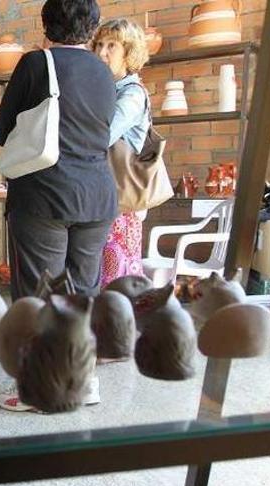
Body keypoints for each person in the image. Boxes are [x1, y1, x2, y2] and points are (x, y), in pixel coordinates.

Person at [0, 0, 115, 412]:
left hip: (45, 193)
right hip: (98, 195)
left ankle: (36, 390)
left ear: (46, 24)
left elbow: (2, 130)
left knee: (38, 295)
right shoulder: (104, 71)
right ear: (92, 27)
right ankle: (86, 382)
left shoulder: (35, 63)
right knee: (83, 293)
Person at [92, 19, 152, 288]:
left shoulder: (132, 94)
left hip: (120, 202)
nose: (102, 52)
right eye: (100, 45)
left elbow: (101, 135)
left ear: (129, 53)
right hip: (104, 197)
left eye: (112, 46)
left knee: (115, 281)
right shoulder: (106, 90)